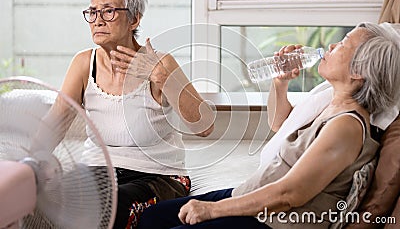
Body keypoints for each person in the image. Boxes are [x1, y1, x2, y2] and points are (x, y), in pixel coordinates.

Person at [137, 22, 400, 229]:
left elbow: (291, 193)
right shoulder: (330, 101)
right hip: (255, 194)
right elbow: (280, 124)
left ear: (358, 71)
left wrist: (212, 210)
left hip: (273, 221)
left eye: (342, 44)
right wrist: (280, 81)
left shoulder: (347, 128)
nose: (331, 45)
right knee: (151, 218)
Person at [44, 0, 214, 228]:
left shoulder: (160, 63)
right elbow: (55, 122)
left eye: (109, 11)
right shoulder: (83, 63)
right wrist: (26, 162)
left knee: (111, 204)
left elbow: (205, 126)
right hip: (99, 170)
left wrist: (161, 77)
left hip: (158, 175)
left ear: (134, 19)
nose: (98, 20)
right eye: (92, 12)